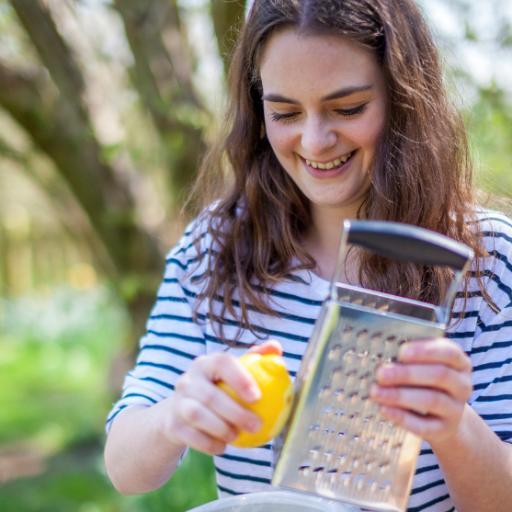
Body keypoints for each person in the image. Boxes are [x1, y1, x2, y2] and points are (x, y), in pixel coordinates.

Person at [104, 1, 512, 510]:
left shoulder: (489, 260)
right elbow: (125, 468)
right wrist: (176, 414)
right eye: (286, 113)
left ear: (406, 99)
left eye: (347, 108)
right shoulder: (215, 248)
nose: (315, 142)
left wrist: (454, 426)